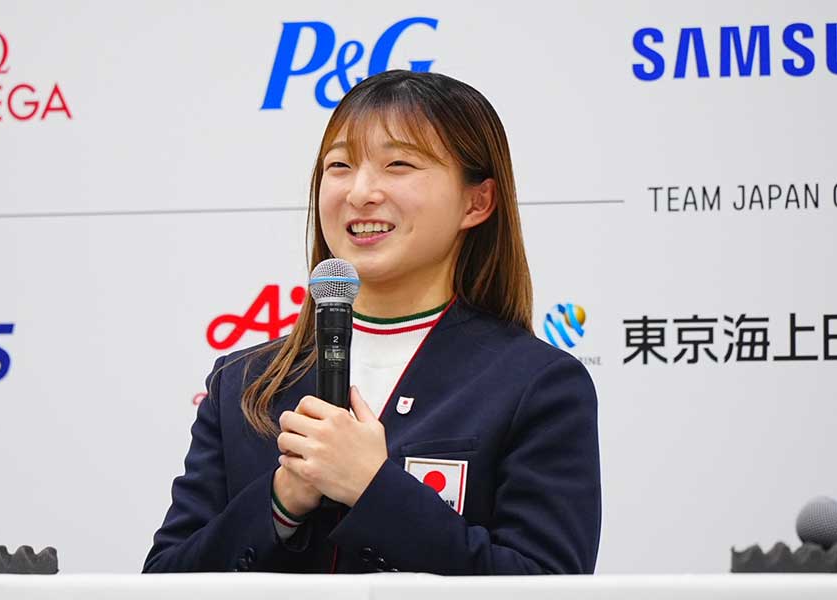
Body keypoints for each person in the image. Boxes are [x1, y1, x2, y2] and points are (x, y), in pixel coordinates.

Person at [143, 70, 601, 575]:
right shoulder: (244, 382)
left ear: (477, 201)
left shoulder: (536, 384)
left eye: (398, 164)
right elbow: (167, 579)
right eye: (339, 165)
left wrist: (373, 486)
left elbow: (545, 584)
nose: (360, 192)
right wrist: (281, 500)